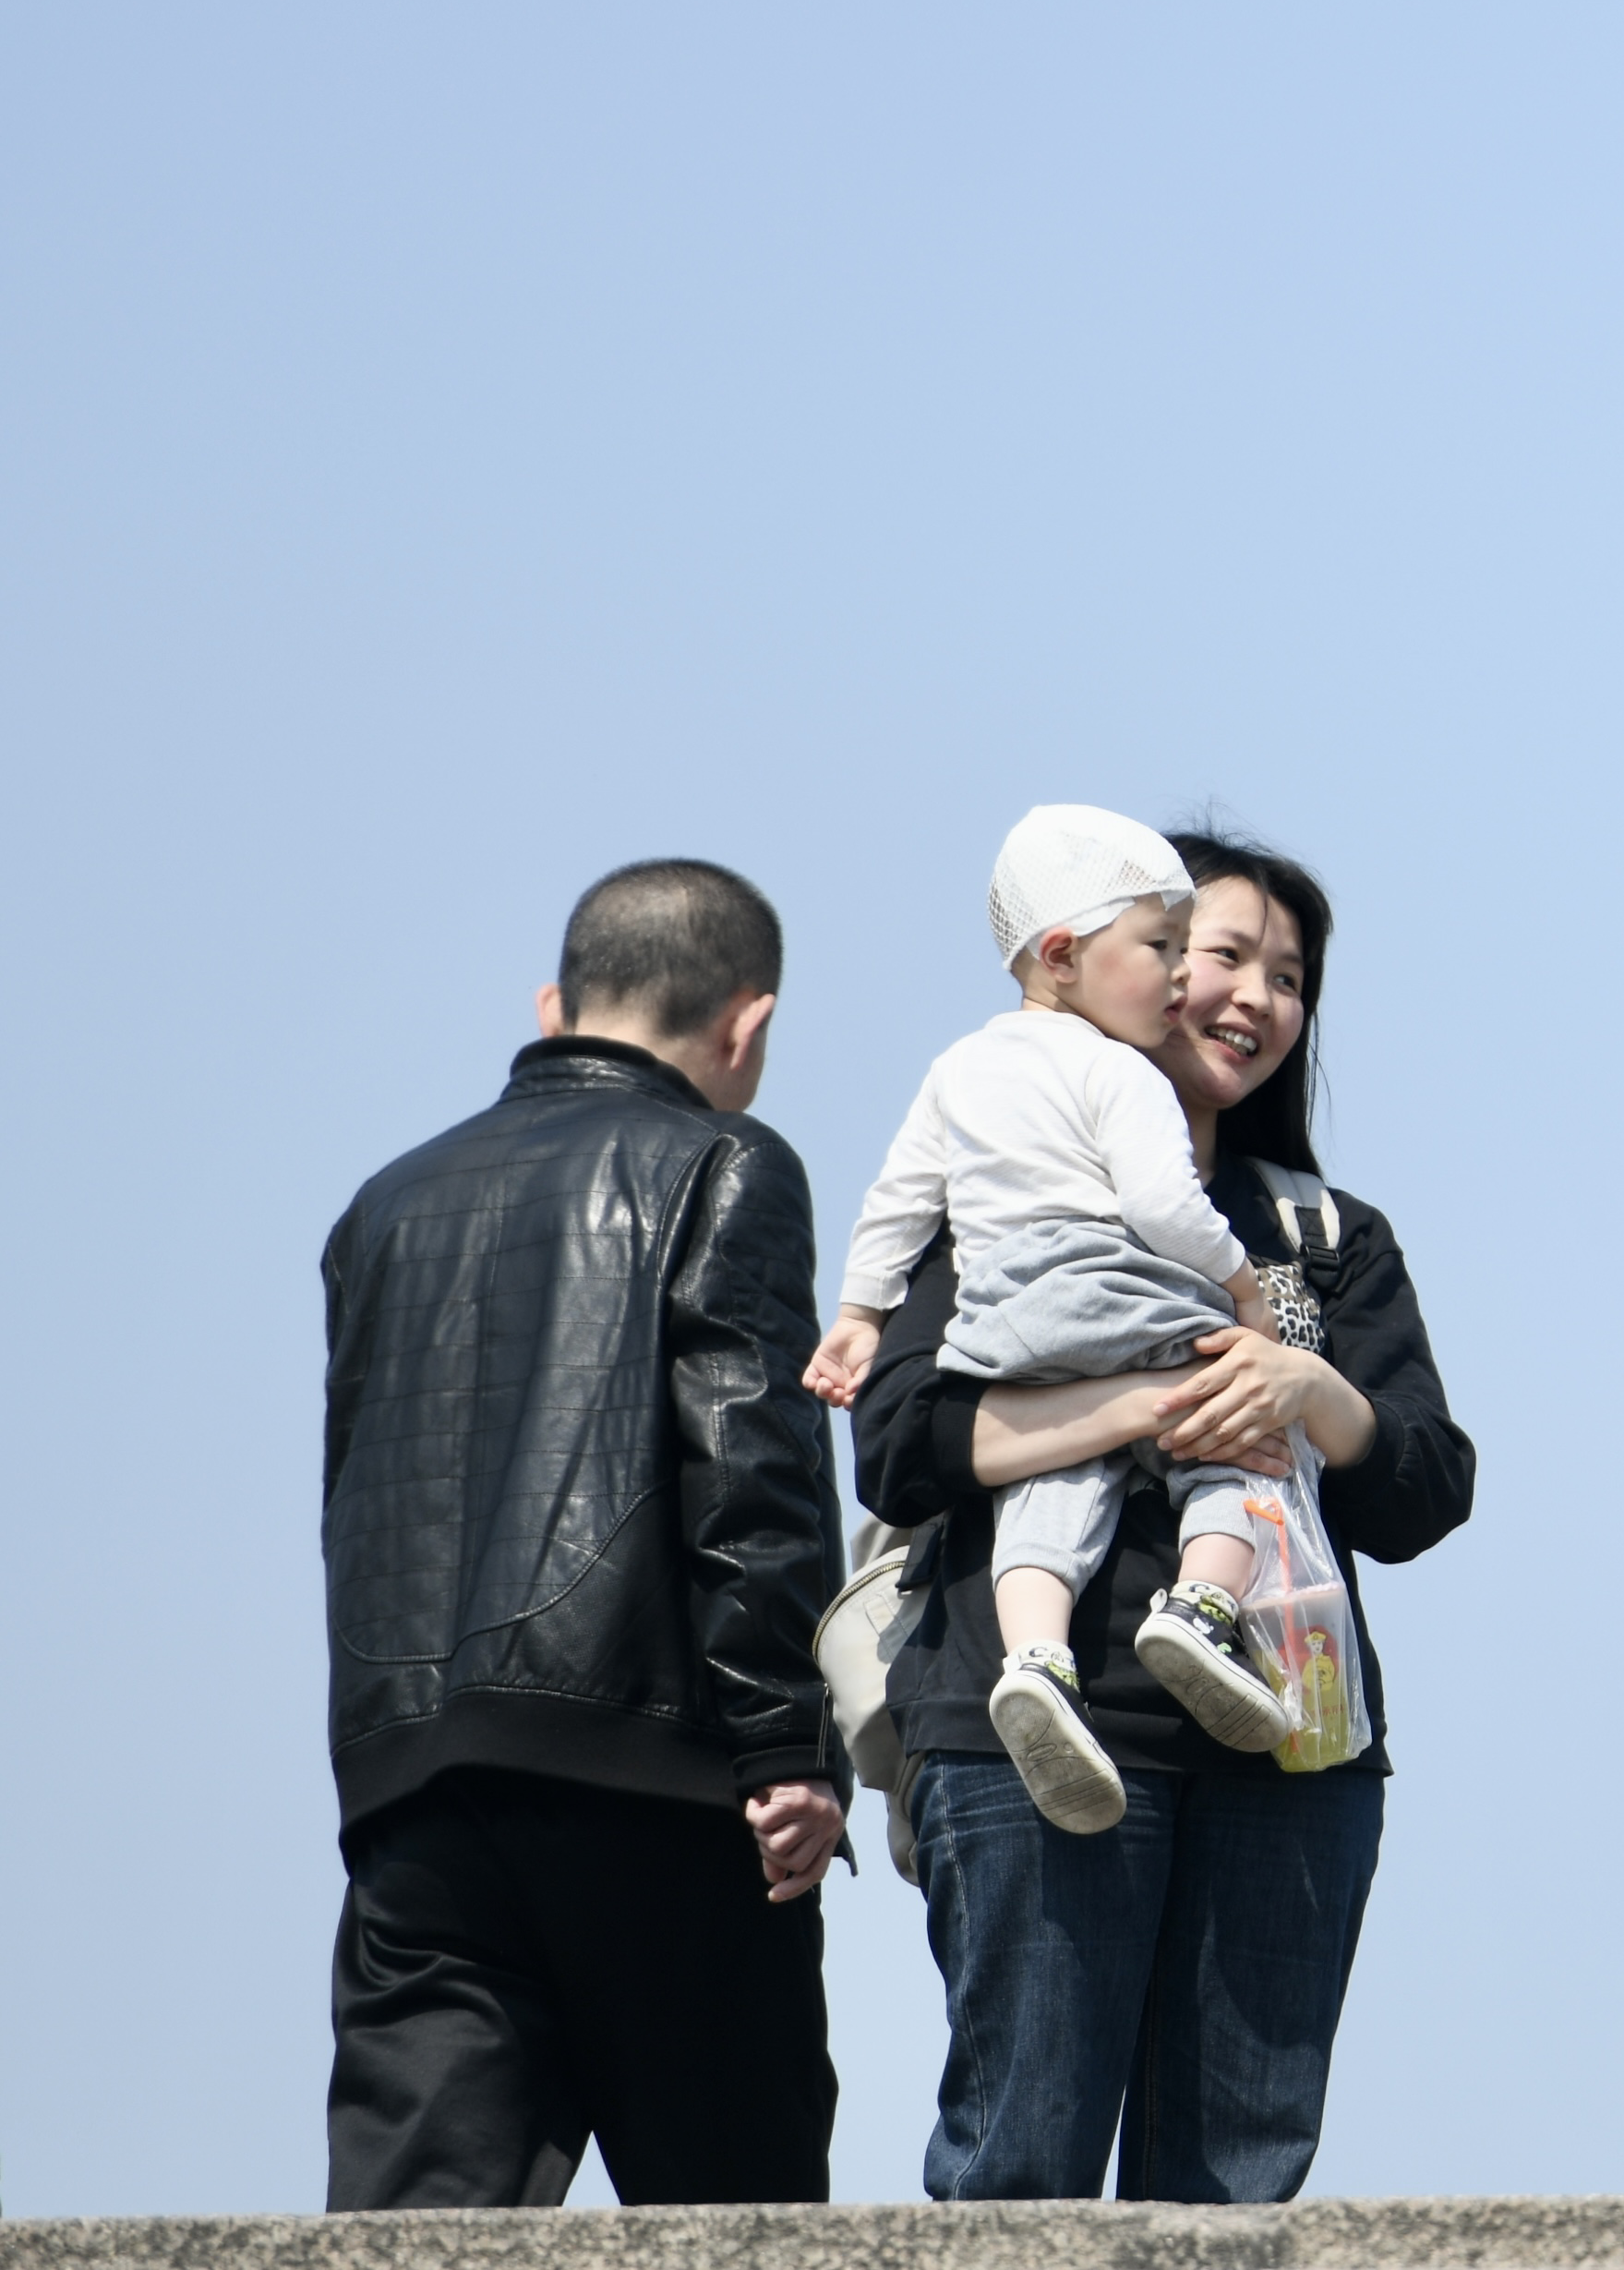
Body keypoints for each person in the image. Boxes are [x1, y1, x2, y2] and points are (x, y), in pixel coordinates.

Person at [851, 829, 1475, 2203]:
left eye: (1292, 974)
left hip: (1292, 1748)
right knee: (1020, 2173)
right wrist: (1145, 1402)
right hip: (1042, 1742)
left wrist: (1309, 1384)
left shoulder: (1322, 1234)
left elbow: (1428, 1481)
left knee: (1236, 2197)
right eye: (1222, 953)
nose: (1257, 996)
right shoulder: (1004, 1187)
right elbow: (900, 1444)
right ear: (1114, 959)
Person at [320, 860, 848, 2209]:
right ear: (750, 1024)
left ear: (554, 1004)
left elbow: (355, 1498)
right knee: (734, 2212)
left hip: (416, 1793)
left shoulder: (382, 1206)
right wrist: (788, 1743)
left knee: (415, 2218)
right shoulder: (728, 1160)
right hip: (655, 1776)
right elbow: (752, 1464)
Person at [812, 806, 1293, 1835]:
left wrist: (856, 1314)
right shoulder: (1122, 1070)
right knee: (1234, 1446)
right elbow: (1166, 1210)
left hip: (1000, 1314)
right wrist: (1244, 1289)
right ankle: (1201, 1611)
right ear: (1067, 955)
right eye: (1163, 947)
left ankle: (1036, 1660)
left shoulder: (960, 1066)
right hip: (1109, 1280)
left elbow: (897, 1202)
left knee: (1052, 1475)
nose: (1175, 977)